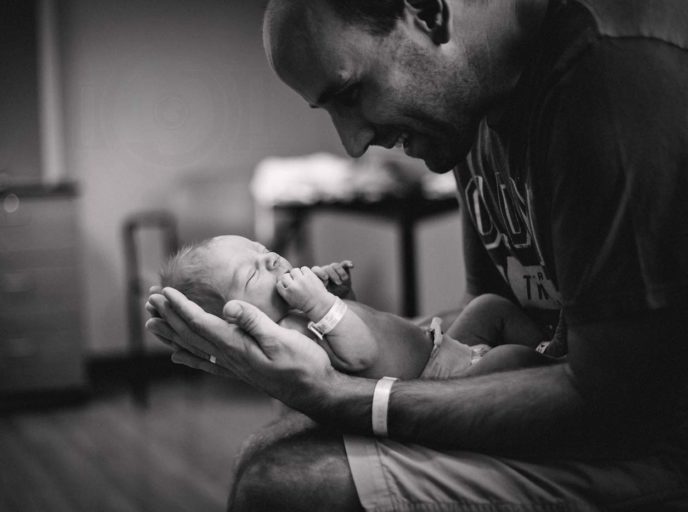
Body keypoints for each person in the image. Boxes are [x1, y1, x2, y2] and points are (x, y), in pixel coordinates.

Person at [147, 0, 688, 510]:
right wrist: (331, 351)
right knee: (277, 443)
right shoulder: (469, 109)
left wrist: (338, 394)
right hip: (563, 387)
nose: (352, 144)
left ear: (428, 12)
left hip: (653, 433)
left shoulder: (609, 85)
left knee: (279, 484)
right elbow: (488, 304)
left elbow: (618, 401)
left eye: (351, 93)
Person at [161, 234, 554, 380]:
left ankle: (552, 348)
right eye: (251, 276)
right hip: (439, 382)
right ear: (240, 321)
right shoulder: (290, 338)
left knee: (488, 307)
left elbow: (359, 330)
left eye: (262, 251)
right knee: (513, 361)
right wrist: (321, 303)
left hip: (439, 345)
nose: (270, 260)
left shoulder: (301, 313)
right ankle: (553, 369)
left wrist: (342, 298)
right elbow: (361, 354)